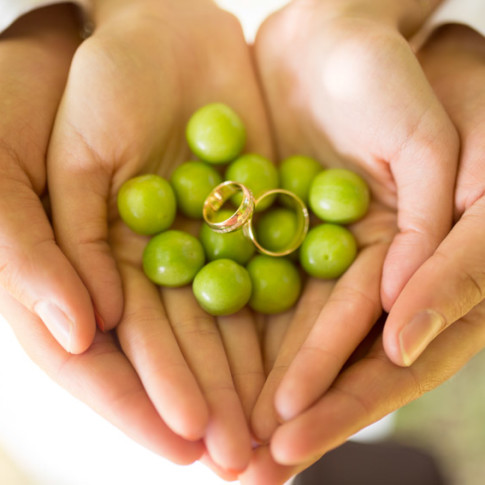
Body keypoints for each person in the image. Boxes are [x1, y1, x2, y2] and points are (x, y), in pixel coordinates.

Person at [0, 0, 484, 484]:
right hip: (91, 380)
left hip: (362, 107)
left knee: (323, 409)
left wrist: (427, 31)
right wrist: (47, 31)